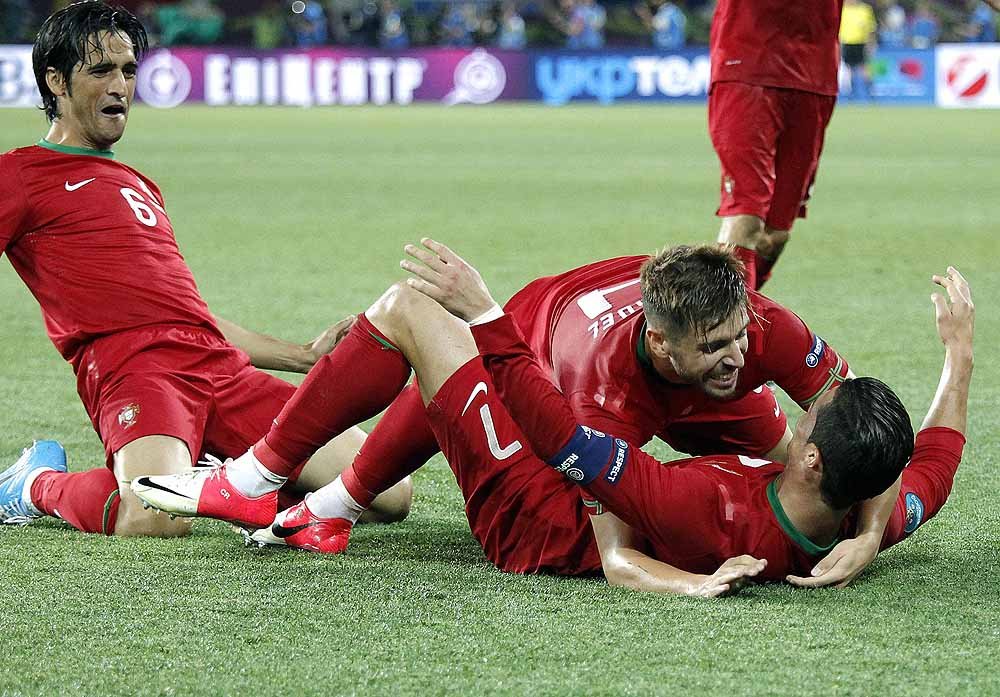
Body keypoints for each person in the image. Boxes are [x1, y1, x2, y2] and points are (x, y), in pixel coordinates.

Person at [134, 242, 972, 597]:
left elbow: (596, 509)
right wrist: (959, 355)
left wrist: (484, 313)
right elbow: (931, 459)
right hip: (572, 365)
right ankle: (326, 507)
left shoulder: (698, 500)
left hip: (530, 516)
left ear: (816, 462)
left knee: (411, 312)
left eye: (737, 340)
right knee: (454, 368)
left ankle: (260, 477)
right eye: (716, 343)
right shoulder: (864, 509)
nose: (737, 356)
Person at [0, 2, 412, 537]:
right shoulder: (19, 175)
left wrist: (304, 356)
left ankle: (214, 478)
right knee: (152, 521)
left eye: (128, 70)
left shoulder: (139, 184)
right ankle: (35, 484)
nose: (119, 87)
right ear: (56, 81)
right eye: (100, 71)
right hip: (136, 369)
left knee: (385, 493)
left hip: (219, 369)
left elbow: (187, 318)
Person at [708, 0, 843, 289]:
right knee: (746, 216)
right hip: (748, 65)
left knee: (775, 235)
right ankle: (724, 317)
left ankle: (734, 305)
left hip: (815, 76)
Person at [840, 0, 877, 100]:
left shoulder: (865, 9)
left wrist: (871, 43)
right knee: (849, 68)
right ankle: (852, 94)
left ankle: (870, 92)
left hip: (861, 42)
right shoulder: (842, 10)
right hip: (846, 42)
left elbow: (871, 29)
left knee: (864, 68)